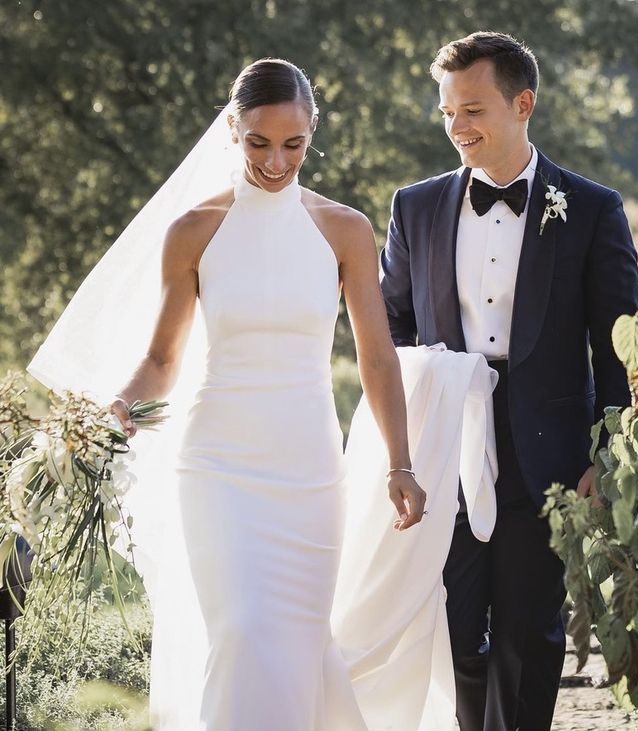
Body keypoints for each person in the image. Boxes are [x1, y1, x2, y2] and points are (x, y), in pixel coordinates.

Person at [37, 58, 427, 729]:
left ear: (311, 134)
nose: (276, 161)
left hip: (307, 470)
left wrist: (400, 461)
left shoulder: (344, 230)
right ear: (231, 129)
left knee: (300, 645)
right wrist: (113, 414)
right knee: (241, 632)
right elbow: (161, 360)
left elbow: (377, 358)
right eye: (258, 142)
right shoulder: (193, 230)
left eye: (293, 144)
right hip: (217, 464)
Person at [380, 31, 638, 731]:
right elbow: (388, 325)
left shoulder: (590, 209)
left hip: (548, 450)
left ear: (522, 103)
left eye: (472, 110)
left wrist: (605, 452)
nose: (456, 128)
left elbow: (618, 346)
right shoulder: (414, 206)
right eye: (446, 113)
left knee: (528, 634)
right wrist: (405, 431)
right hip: (445, 442)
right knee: (452, 624)